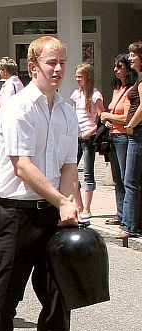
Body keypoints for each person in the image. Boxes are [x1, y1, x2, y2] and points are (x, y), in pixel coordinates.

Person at [0, 36, 87, 331]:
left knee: (58, 298)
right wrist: (60, 199)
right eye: (51, 63)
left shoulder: (65, 110)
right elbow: (22, 166)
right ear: (33, 67)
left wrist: (69, 204)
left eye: (62, 62)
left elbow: (69, 166)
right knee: (6, 295)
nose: (58, 69)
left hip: (51, 215)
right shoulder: (17, 108)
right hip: (14, 214)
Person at [100, 54, 137, 226]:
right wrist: (107, 120)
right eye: (115, 66)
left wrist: (108, 116)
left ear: (127, 69)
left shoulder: (131, 89)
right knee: (117, 178)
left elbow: (126, 117)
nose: (116, 70)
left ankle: (129, 219)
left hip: (124, 137)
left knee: (125, 178)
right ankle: (120, 214)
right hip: (112, 137)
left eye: (119, 66)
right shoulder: (116, 88)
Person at [71, 63, 104, 220]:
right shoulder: (75, 95)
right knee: (70, 171)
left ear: (88, 77)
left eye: (80, 75)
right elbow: (72, 115)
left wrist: (89, 133)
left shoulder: (96, 95)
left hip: (88, 138)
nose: (77, 78)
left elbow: (102, 119)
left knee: (88, 173)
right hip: (76, 137)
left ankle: (87, 208)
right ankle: (79, 205)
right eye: (76, 75)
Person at [118, 41, 142, 239]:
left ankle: (128, 226)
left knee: (130, 181)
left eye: (133, 55)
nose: (130, 58)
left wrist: (130, 125)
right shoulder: (138, 78)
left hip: (137, 134)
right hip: (136, 134)